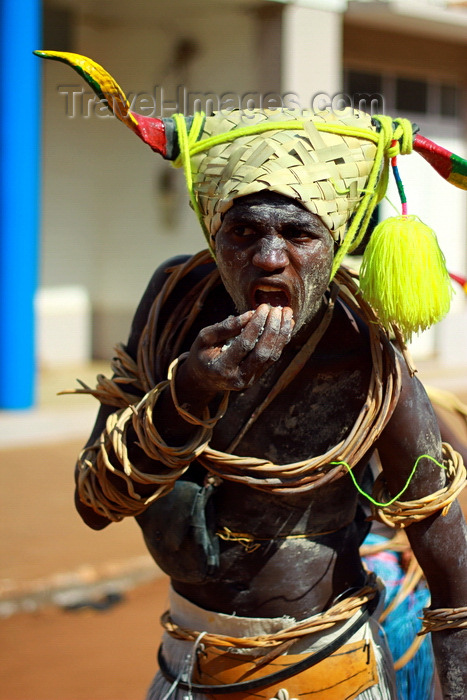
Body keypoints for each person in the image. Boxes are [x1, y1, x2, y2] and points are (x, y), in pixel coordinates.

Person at [37, 51, 467, 700]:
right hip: (187, 661)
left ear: (334, 241)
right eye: (243, 232)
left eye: (297, 234)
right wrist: (189, 392)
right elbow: (96, 500)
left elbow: (443, 546)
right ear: (214, 234)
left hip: (327, 667)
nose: (268, 259)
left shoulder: (365, 351)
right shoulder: (173, 305)